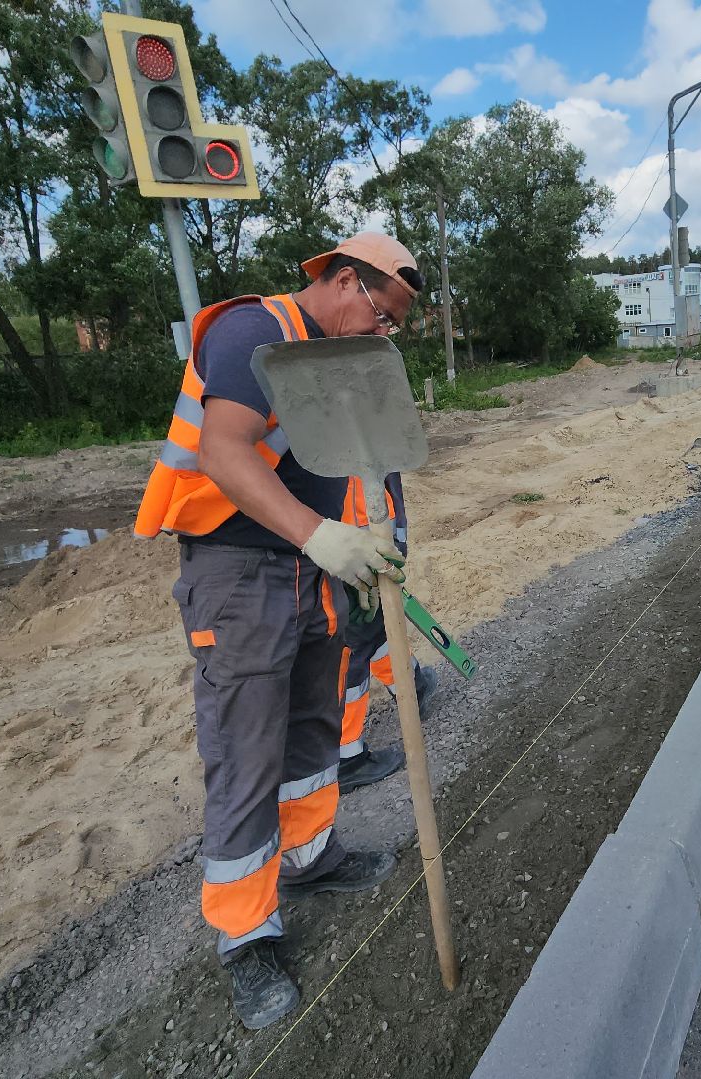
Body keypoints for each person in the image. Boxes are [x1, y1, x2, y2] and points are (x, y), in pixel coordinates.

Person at [132, 231, 425, 1030]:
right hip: (241, 572)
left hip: (315, 569)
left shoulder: (336, 356)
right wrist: (317, 536)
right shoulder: (253, 334)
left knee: (310, 732)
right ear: (339, 280)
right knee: (245, 751)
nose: (382, 332)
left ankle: (308, 858)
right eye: (380, 312)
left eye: (393, 323)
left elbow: (367, 462)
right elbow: (225, 453)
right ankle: (245, 935)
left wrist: (375, 541)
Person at [336, 470, 438, 788]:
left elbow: (389, 475)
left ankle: (410, 683)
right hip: (342, 544)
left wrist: (398, 539)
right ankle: (346, 754)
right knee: (352, 642)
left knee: (375, 627)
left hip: (365, 534)